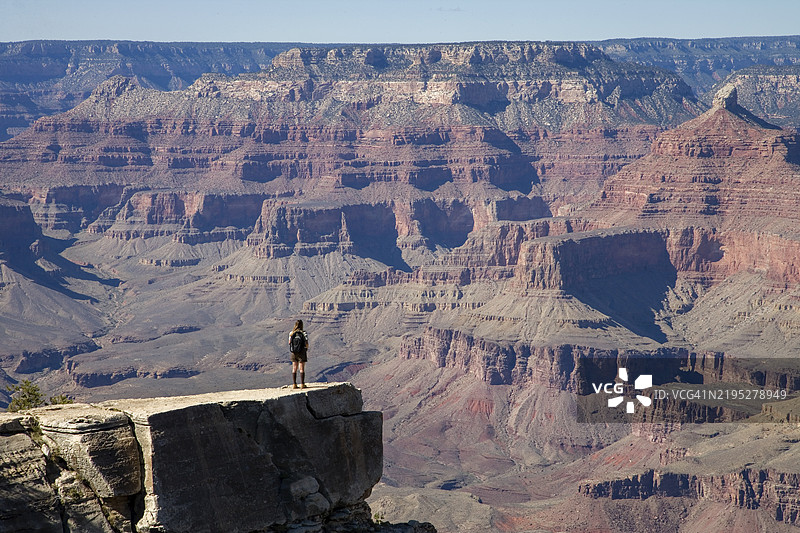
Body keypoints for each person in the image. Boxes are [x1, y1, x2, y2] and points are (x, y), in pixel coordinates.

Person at [289, 319, 309, 389]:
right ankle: (302, 384)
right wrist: (306, 349)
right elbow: (306, 343)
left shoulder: (291, 333)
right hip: (302, 352)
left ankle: (294, 384)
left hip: (294, 352)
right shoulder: (304, 333)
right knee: (301, 368)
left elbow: (289, 342)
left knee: (294, 368)